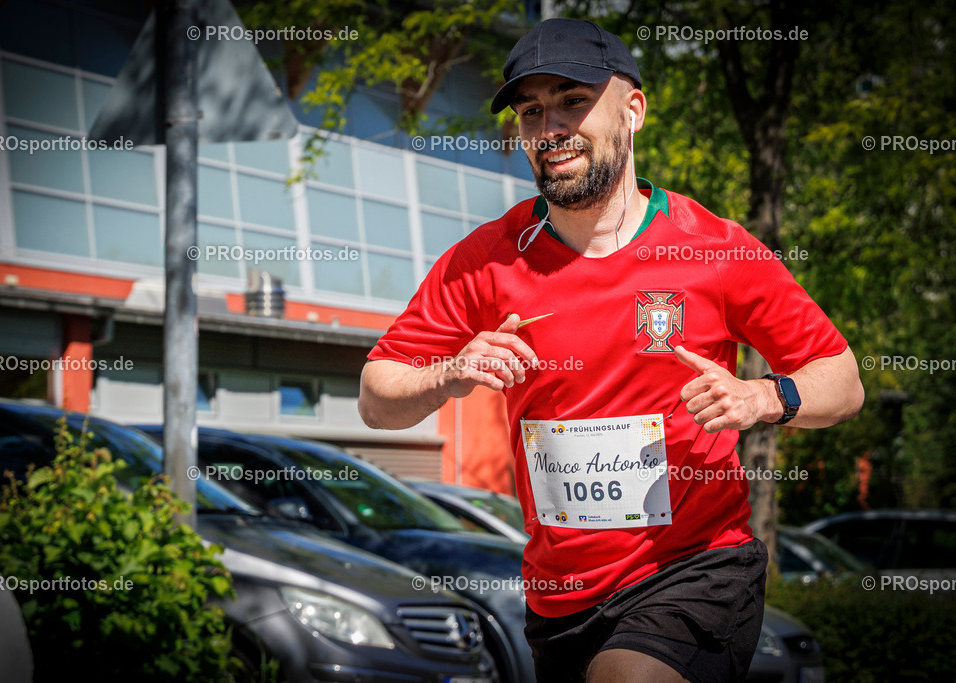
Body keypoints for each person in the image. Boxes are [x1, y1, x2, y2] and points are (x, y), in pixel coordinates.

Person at [359, 17, 863, 683]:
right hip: (560, 596)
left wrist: (766, 396)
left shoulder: (712, 248)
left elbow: (843, 380)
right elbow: (376, 396)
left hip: (694, 569)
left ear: (633, 110)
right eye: (531, 111)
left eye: (573, 101)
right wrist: (448, 373)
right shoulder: (482, 261)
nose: (550, 128)